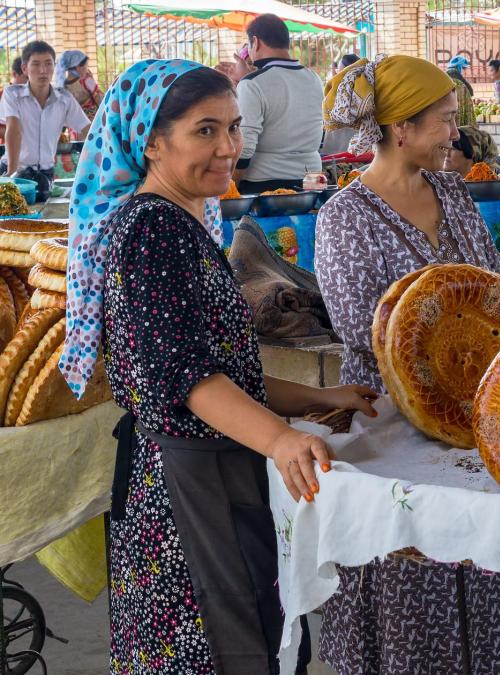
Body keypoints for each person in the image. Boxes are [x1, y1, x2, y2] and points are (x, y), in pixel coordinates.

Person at [64, 60, 376, 673]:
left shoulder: (183, 220)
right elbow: (188, 378)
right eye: (205, 131)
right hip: (186, 491)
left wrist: (321, 400)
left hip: (206, 474)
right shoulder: (154, 230)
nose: (228, 148)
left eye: (233, 128)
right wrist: (283, 440)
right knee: (222, 646)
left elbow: (225, 372)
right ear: (152, 142)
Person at [315, 55, 500, 674]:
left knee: (490, 549)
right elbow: (361, 326)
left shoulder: (451, 191)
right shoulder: (345, 217)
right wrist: (450, 346)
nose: (455, 133)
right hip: (390, 422)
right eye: (444, 120)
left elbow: (496, 288)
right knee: (411, 570)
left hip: (479, 414)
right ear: (400, 131)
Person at [234, 14, 325, 193]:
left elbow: (246, 146)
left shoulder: (252, 83)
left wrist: (231, 186)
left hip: (267, 184)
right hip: (314, 179)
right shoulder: (314, 78)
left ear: (255, 42)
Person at [1, 41, 89, 182]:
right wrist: (11, 171)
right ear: (24, 68)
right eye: (36, 64)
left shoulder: (64, 99)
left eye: (48, 64)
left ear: (54, 66)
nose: (43, 70)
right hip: (14, 170)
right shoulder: (12, 94)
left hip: (45, 174)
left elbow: (88, 129)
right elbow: (13, 130)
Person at [54, 50, 101, 118]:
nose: (87, 68)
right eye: (86, 65)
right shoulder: (86, 80)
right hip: (92, 123)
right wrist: (92, 82)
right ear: (78, 67)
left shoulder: (62, 86)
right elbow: (101, 101)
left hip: (74, 126)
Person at [445, 54, 476, 127]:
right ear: (459, 66)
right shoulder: (455, 74)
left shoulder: (445, 75)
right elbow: (470, 91)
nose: (464, 71)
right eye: (463, 68)